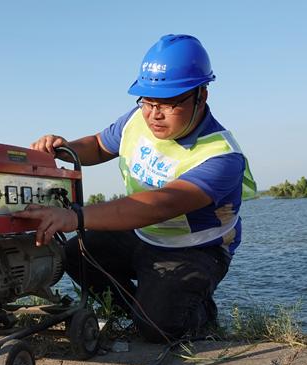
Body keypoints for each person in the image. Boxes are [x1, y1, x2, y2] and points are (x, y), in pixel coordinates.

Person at [13, 34, 257, 343]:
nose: (155, 114)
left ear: (201, 95)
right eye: (148, 101)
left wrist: (75, 216)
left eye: (168, 103)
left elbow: (159, 204)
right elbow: (100, 145)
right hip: (141, 234)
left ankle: (198, 314)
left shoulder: (221, 156)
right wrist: (64, 149)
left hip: (194, 249)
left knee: (159, 329)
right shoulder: (136, 120)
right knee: (75, 254)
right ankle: (134, 309)